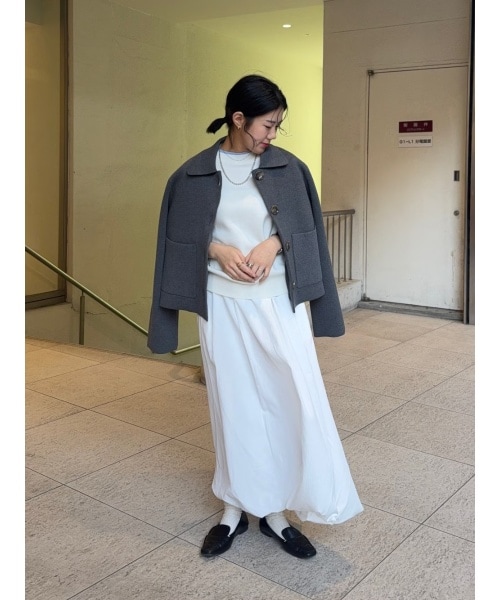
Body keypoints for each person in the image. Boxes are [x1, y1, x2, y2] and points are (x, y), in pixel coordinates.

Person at [148, 74, 363, 559]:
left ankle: (276, 512)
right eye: (267, 125)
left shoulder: (289, 168)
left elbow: (306, 228)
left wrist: (273, 244)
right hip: (221, 306)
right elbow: (177, 239)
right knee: (233, 404)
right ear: (238, 118)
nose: (273, 134)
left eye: (278, 125)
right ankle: (233, 509)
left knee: (292, 400)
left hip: (278, 305)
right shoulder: (192, 174)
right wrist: (216, 249)